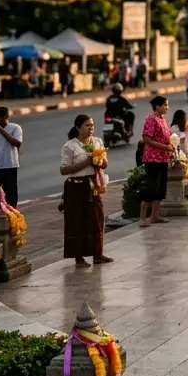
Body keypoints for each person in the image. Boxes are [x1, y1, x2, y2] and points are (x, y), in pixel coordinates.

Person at [60, 114, 112, 267]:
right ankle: (78, 258)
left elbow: (105, 163)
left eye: (92, 125)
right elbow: (64, 170)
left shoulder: (97, 141)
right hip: (76, 186)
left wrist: (100, 162)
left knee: (97, 219)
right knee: (77, 222)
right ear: (78, 128)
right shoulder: (70, 146)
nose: (90, 128)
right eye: (87, 126)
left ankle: (98, 254)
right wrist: (87, 162)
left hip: (93, 184)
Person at [138, 95, 174, 227]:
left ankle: (155, 215)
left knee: (160, 188)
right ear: (158, 107)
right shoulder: (151, 119)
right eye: (165, 105)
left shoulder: (162, 119)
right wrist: (164, 147)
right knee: (151, 187)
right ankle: (142, 218)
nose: (167, 108)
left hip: (163, 159)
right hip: (152, 159)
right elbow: (147, 139)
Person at [0, 107, 23, 207]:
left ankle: (12, 217)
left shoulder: (15, 128)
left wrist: (0, 130)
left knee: (11, 195)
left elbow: (16, 143)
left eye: (1, 117)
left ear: (7, 117)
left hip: (9, 166)